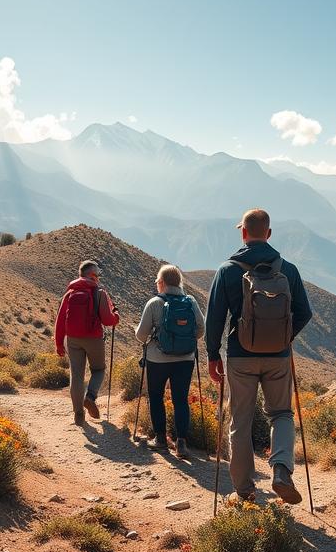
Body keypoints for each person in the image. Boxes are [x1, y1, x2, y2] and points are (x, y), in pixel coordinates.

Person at [206, 208, 312, 503]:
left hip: (240, 356)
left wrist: (213, 355)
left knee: (240, 420)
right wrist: (284, 337)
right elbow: (305, 312)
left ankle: (245, 489)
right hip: (278, 357)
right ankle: (281, 469)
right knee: (281, 414)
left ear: (243, 233)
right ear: (268, 234)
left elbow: (214, 318)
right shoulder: (287, 270)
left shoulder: (228, 269)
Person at [133, 264, 205, 459]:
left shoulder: (154, 303)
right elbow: (201, 329)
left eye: (158, 281)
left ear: (162, 283)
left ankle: (161, 440)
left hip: (157, 360)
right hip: (185, 359)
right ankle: (181, 443)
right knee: (180, 399)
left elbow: (141, 336)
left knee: (156, 396)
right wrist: (184, 342)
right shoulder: (190, 301)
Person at [55, 259, 120, 426]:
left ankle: (78, 414)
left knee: (76, 375)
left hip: (73, 339)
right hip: (94, 338)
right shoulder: (100, 293)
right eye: (97, 274)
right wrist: (116, 317)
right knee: (99, 369)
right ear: (92, 275)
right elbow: (107, 320)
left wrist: (59, 344)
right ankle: (90, 397)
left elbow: (60, 320)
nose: (98, 278)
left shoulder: (69, 293)